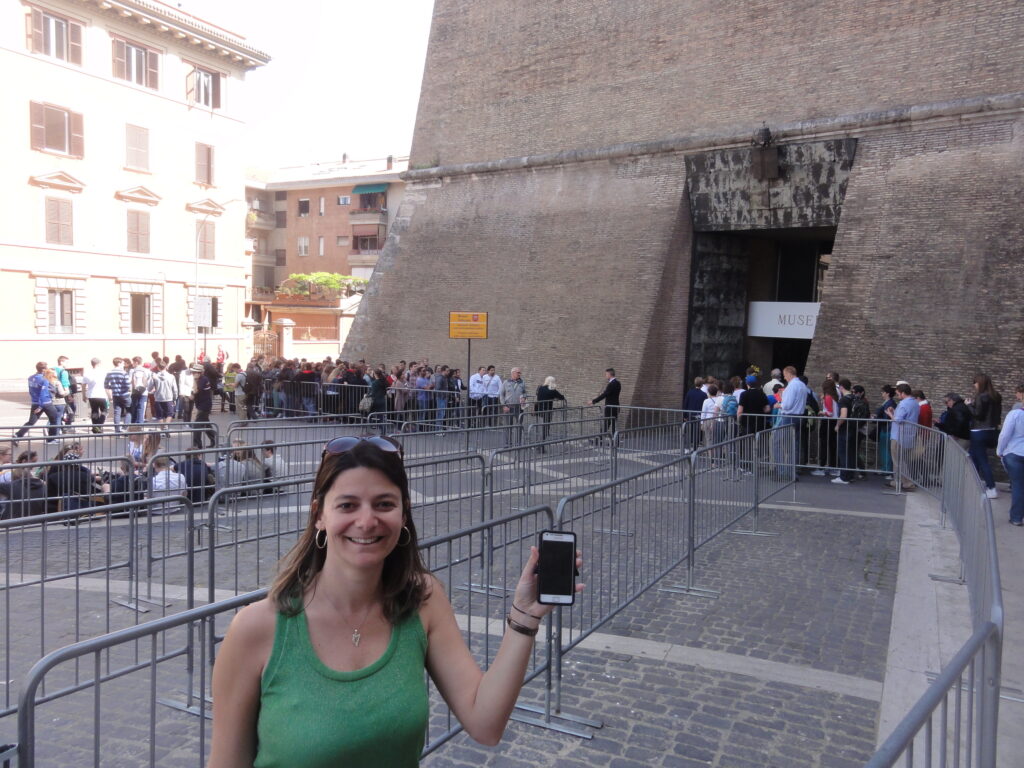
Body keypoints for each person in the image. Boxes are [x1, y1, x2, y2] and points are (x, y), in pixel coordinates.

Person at [207, 436, 584, 766]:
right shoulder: (259, 628)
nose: (367, 521)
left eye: (384, 504)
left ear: (404, 513)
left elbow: (485, 724)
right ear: (319, 515)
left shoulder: (422, 600)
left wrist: (524, 618)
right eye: (348, 505)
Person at [965, 373, 1002, 499]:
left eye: (975, 382)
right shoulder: (996, 396)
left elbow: (978, 415)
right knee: (974, 457)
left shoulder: (981, 396)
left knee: (982, 460)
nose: (974, 385)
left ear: (980, 383)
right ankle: (973, 484)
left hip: (979, 432)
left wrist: (969, 405)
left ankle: (991, 488)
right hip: (991, 430)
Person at [996, 383, 1024, 526]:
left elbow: (1005, 435)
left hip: (1015, 452)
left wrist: (1000, 451)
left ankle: (1016, 517)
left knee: (1018, 485)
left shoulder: (1015, 414)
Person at [887, 383, 919, 492]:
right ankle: (902, 481)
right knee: (903, 460)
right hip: (909, 435)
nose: (897, 396)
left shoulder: (904, 404)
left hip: (898, 435)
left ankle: (903, 482)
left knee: (897, 460)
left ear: (903, 393)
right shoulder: (915, 403)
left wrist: (890, 414)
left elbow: (898, 420)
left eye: (898, 394)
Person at [15, 362, 59, 441]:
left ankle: (18, 435)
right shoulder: (44, 380)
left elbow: (31, 390)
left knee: (31, 422)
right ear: (44, 369)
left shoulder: (30, 378)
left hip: (35, 402)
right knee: (54, 419)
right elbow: (43, 393)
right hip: (45, 403)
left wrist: (35, 401)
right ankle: (51, 439)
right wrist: (40, 406)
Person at [535, 376, 566, 448]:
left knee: (541, 426)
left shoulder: (540, 388)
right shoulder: (552, 391)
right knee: (546, 427)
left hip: (540, 410)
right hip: (547, 410)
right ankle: (541, 444)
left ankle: (539, 443)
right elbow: (562, 397)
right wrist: (555, 397)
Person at [589, 368, 621, 437]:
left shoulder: (611, 384)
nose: (605, 376)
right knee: (613, 425)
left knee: (607, 424)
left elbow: (605, 395)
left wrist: (593, 401)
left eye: (606, 374)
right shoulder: (618, 383)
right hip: (615, 407)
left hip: (610, 408)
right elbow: (609, 394)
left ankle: (599, 440)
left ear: (609, 374)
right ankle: (615, 442)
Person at [192, 364, 216, 449]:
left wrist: (194, 381)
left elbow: (196, 391)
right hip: (202, 404)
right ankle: (214, 439)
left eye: (195, 372)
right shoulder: (200, 379)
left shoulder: (203, 379)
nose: (193, 373)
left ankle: (197, 444)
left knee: (197, 425)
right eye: (193, 372)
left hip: (204, 405)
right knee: (206, 424)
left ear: (200, 373)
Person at [501, 368, 528, 444]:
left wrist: (524, 397)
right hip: (508, 407)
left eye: (520, 373)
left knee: (519, 426)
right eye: (518, 373)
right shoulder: (506, 382)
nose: (519, 374)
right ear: (513, 373)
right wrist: (504, 405)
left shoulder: (522, 382)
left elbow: (525, 392)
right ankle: (508, 443)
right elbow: (501, 395)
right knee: (508, 426)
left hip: (519, 407)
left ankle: (518, 442)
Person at [82, 357, 108, 433]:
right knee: (105, 411)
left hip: (91, 395)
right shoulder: (103, 372)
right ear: (99, 363)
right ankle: (98, 426)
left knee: (94, 411)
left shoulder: (87, 373)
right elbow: (106, 385)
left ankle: (95, 427)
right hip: (101, 394)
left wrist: (84, 395)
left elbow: (83, 385)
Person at [129, 357, 153, 425]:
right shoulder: (147, 371)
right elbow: (150, 382)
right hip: (144, 391)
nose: (132, 364)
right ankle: (140, 423)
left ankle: (133, 423)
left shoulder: (132, 371)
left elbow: (129, 381)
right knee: (141, 407)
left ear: (136, 362)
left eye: (133, 362)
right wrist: (148, 389)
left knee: (134, 406)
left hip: (135, 391)